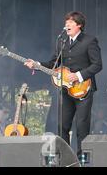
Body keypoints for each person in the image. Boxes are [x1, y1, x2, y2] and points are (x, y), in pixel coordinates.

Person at [24, 11, 102, 157]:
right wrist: (37, 64)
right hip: (65, 90)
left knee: (81, 126)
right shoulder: (62, 41)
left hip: (83, 90)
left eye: (71, 22)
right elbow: (54, 63)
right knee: (62, 126)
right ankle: (66, 157)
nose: (67, 24)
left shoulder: (89, 41)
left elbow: (97, 65)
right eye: (66, 22)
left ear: (79, 25)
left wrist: (78, 75)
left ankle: (82, 159)